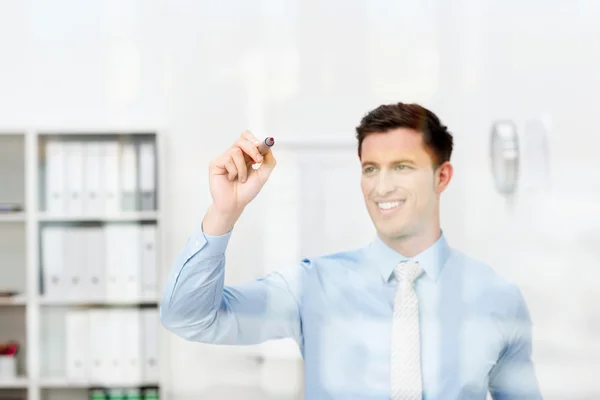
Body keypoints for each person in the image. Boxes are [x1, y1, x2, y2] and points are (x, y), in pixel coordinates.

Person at [160, 103, 543, 399]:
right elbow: (189, 318)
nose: (382, 186)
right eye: (371, 169)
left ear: (441, 176)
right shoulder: (314, 286)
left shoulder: (497, 299)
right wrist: (225, 211)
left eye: (403, 167)